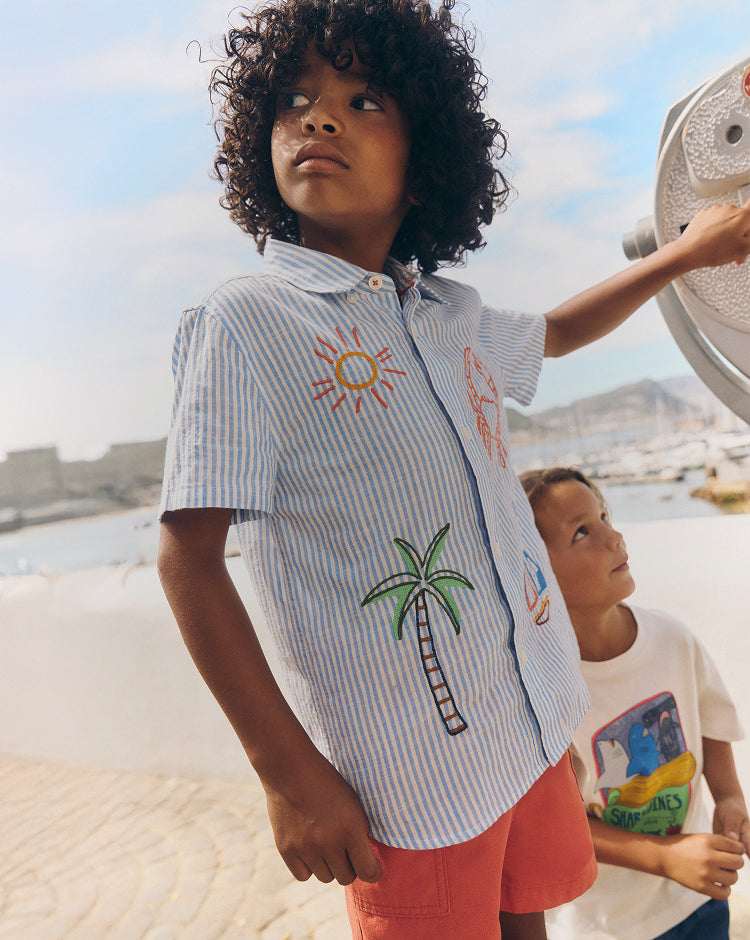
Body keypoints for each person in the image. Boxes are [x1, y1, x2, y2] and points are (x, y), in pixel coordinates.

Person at [156, 1, 750, 936]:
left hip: (531, 735)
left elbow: (556, 331)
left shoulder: (450, 315)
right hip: (411, 786)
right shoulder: (245, 323)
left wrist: (684, 255)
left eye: (364, 99)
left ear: (426, 161)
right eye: (298, 99)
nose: (319, 117)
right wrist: (291, 777)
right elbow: (187, 560)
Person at [521, 467, 749, 940]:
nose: (614, 535)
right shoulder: (541, 689)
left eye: (605, 515)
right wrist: (664, 857)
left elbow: (710, 716)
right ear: (531, 572)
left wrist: (727, 795)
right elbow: (557, 822)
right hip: (605, 926)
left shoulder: (671, 638)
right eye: (582, 531)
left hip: (698, 902)